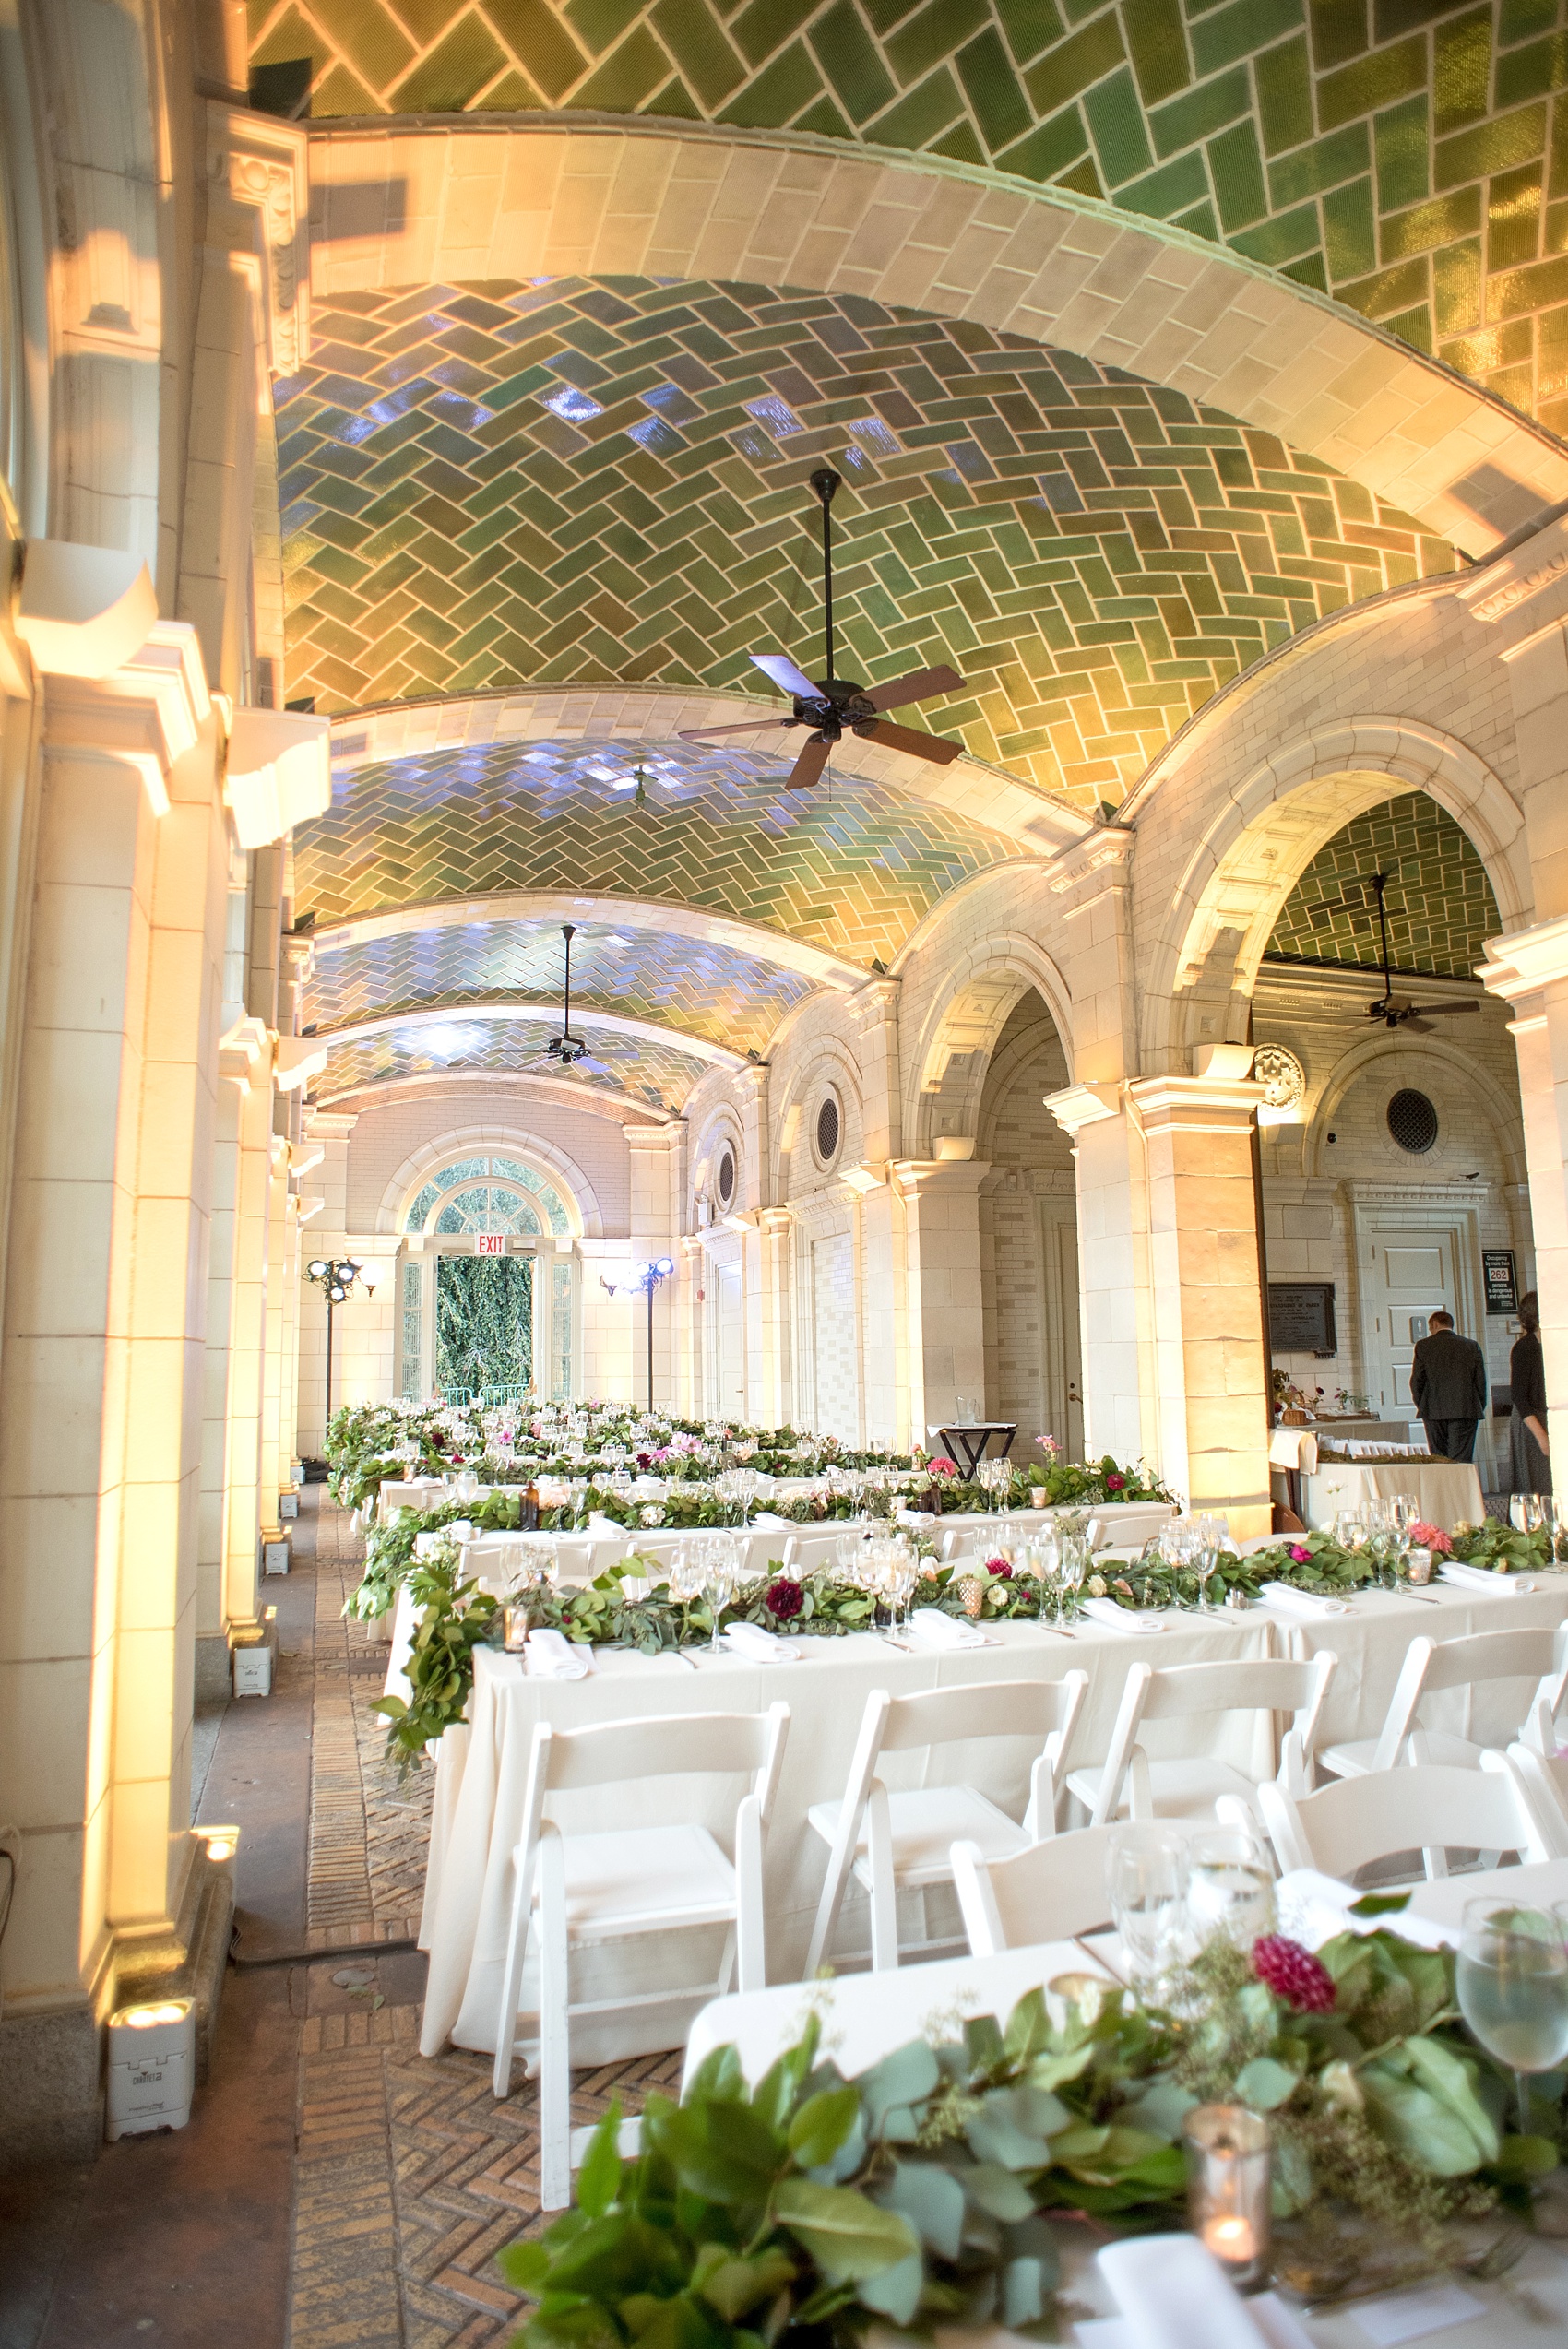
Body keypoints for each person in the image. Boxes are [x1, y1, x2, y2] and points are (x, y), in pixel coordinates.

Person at [1408, 1308, 1487, 1462]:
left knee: (1439, 1459)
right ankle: (1461, 1486)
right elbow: (1480, 1382)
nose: (1430, 1331)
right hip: (1465, 1410)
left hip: (1433, 1411)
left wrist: (1424, 1405)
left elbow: (1417, 1381)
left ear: (1435, 1324)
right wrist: (1477, 1406)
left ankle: (1443, 1486)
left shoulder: (1423, 1346)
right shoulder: (1471, 1346)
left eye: (1430, 1328)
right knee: (1461, 1460)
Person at [1509, 1289, 1550, 1497]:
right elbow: (1519, 1397)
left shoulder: (1556, 1344)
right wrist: (1542, 1437)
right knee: (1537, 1486)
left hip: (1551, 1417)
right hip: (1531, 1421)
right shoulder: (1524, 1348)